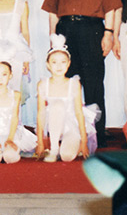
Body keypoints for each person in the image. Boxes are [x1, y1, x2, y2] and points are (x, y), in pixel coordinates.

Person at [42, 0, 122, 146]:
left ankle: (97, 134)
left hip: (92, 30)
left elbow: (111, 7)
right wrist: (53, 39)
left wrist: (109, 33)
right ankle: (68, 131)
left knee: (93, 82)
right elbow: (53, 12)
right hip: (65, 31)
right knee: (66, 81)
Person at [35, 34, 98, 162]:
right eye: (54, 62)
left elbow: (79, 112)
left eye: (63, 62)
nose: (59, 66)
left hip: (70, 125)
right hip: (53, 124)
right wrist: (40, 141)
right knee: (57, 105)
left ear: (69, 64)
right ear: (48, 65)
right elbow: (41, 113)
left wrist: (84, 141)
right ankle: (53, 149)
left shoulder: (73, 84)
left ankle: (67, 146)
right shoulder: (43, 84)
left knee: (67, 157)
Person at [0, 57, 37, 164]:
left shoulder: (15, 95)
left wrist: (10, 139)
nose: (0, 79)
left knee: (10, 157)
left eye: (4, 74)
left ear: (10, 75)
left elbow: (14, 117)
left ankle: (10, 148)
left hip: (11, 133)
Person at [92, 0, 127, 129]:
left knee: (113, 78)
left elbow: (117, 10)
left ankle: (114, 122)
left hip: (111, 33)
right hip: (92, 33)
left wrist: (115, 36)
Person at [20, 0, 55, 127]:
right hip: (31, 34)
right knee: (32, 73)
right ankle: (30, 120)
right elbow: (21, 14)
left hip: (49, 34)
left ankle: (49, 122)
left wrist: (54, 37)